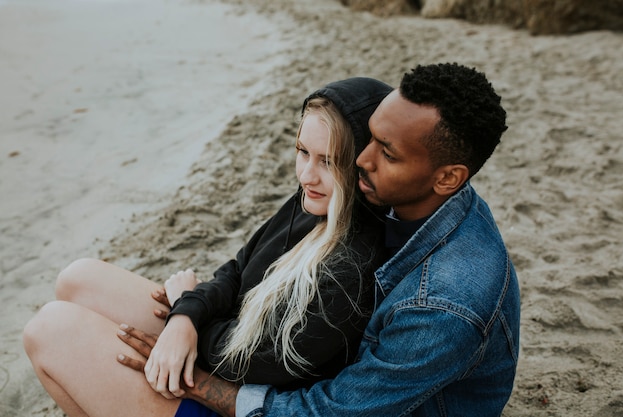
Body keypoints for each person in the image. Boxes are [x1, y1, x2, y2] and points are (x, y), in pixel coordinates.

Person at [118, 62, 521, 417]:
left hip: (311, 403)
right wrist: (187, 314)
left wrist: (199, 383)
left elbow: (330, 411)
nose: (361, 160)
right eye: (370, 139)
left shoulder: (442, 305)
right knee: (79, 284)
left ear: (449, 177)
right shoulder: (407, 198)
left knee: (62, 331)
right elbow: (243, 267)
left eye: (388, 153)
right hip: (269, 365)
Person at [22, 77, 393, 416]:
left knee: (50, 330)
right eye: (302, 152)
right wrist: (185, 316)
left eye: (328, 161)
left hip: (236, 397)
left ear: (363, 164)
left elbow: (258, 362)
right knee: (78, 279)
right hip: (221, 342)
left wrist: (186, 322)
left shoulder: (353, 268)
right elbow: (235, 270)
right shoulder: (312, 201)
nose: (307, 174)